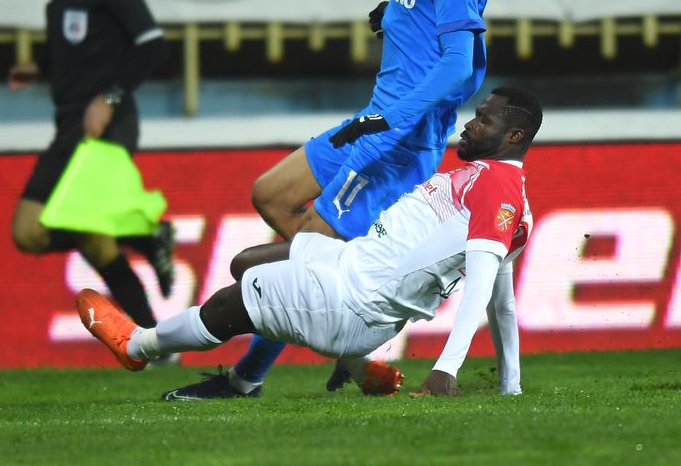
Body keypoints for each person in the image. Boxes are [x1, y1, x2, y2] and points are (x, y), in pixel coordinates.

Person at [164, 0, 491, 400]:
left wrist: (397, 118)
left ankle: (257, 374)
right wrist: (394, 14)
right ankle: (347, 343)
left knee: (300, 256)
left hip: (392, 143)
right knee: (270, 195)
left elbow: (461, 65)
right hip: (373, 124)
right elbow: (433, 39)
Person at [78, 87, 541, 398]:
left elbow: (483, 291)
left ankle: (136, 345)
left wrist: (446, 370)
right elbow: (504, 302)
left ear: (514, 136)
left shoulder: (498, 191)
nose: (469, 125)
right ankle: (356, 364)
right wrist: (510, 386)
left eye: (483, 120)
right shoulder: (494, 188)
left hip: (352, 301)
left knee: (230, 303)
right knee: (246, 263)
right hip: (349, 264)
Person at [10, 0, 175, 334]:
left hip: (102, 125)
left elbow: (152, 46)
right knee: (95, 244)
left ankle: (146, 235)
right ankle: (153, 341)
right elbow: (83, 48)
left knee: (29, 231)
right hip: (75, 123)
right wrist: (39, 65)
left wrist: (109, 97)